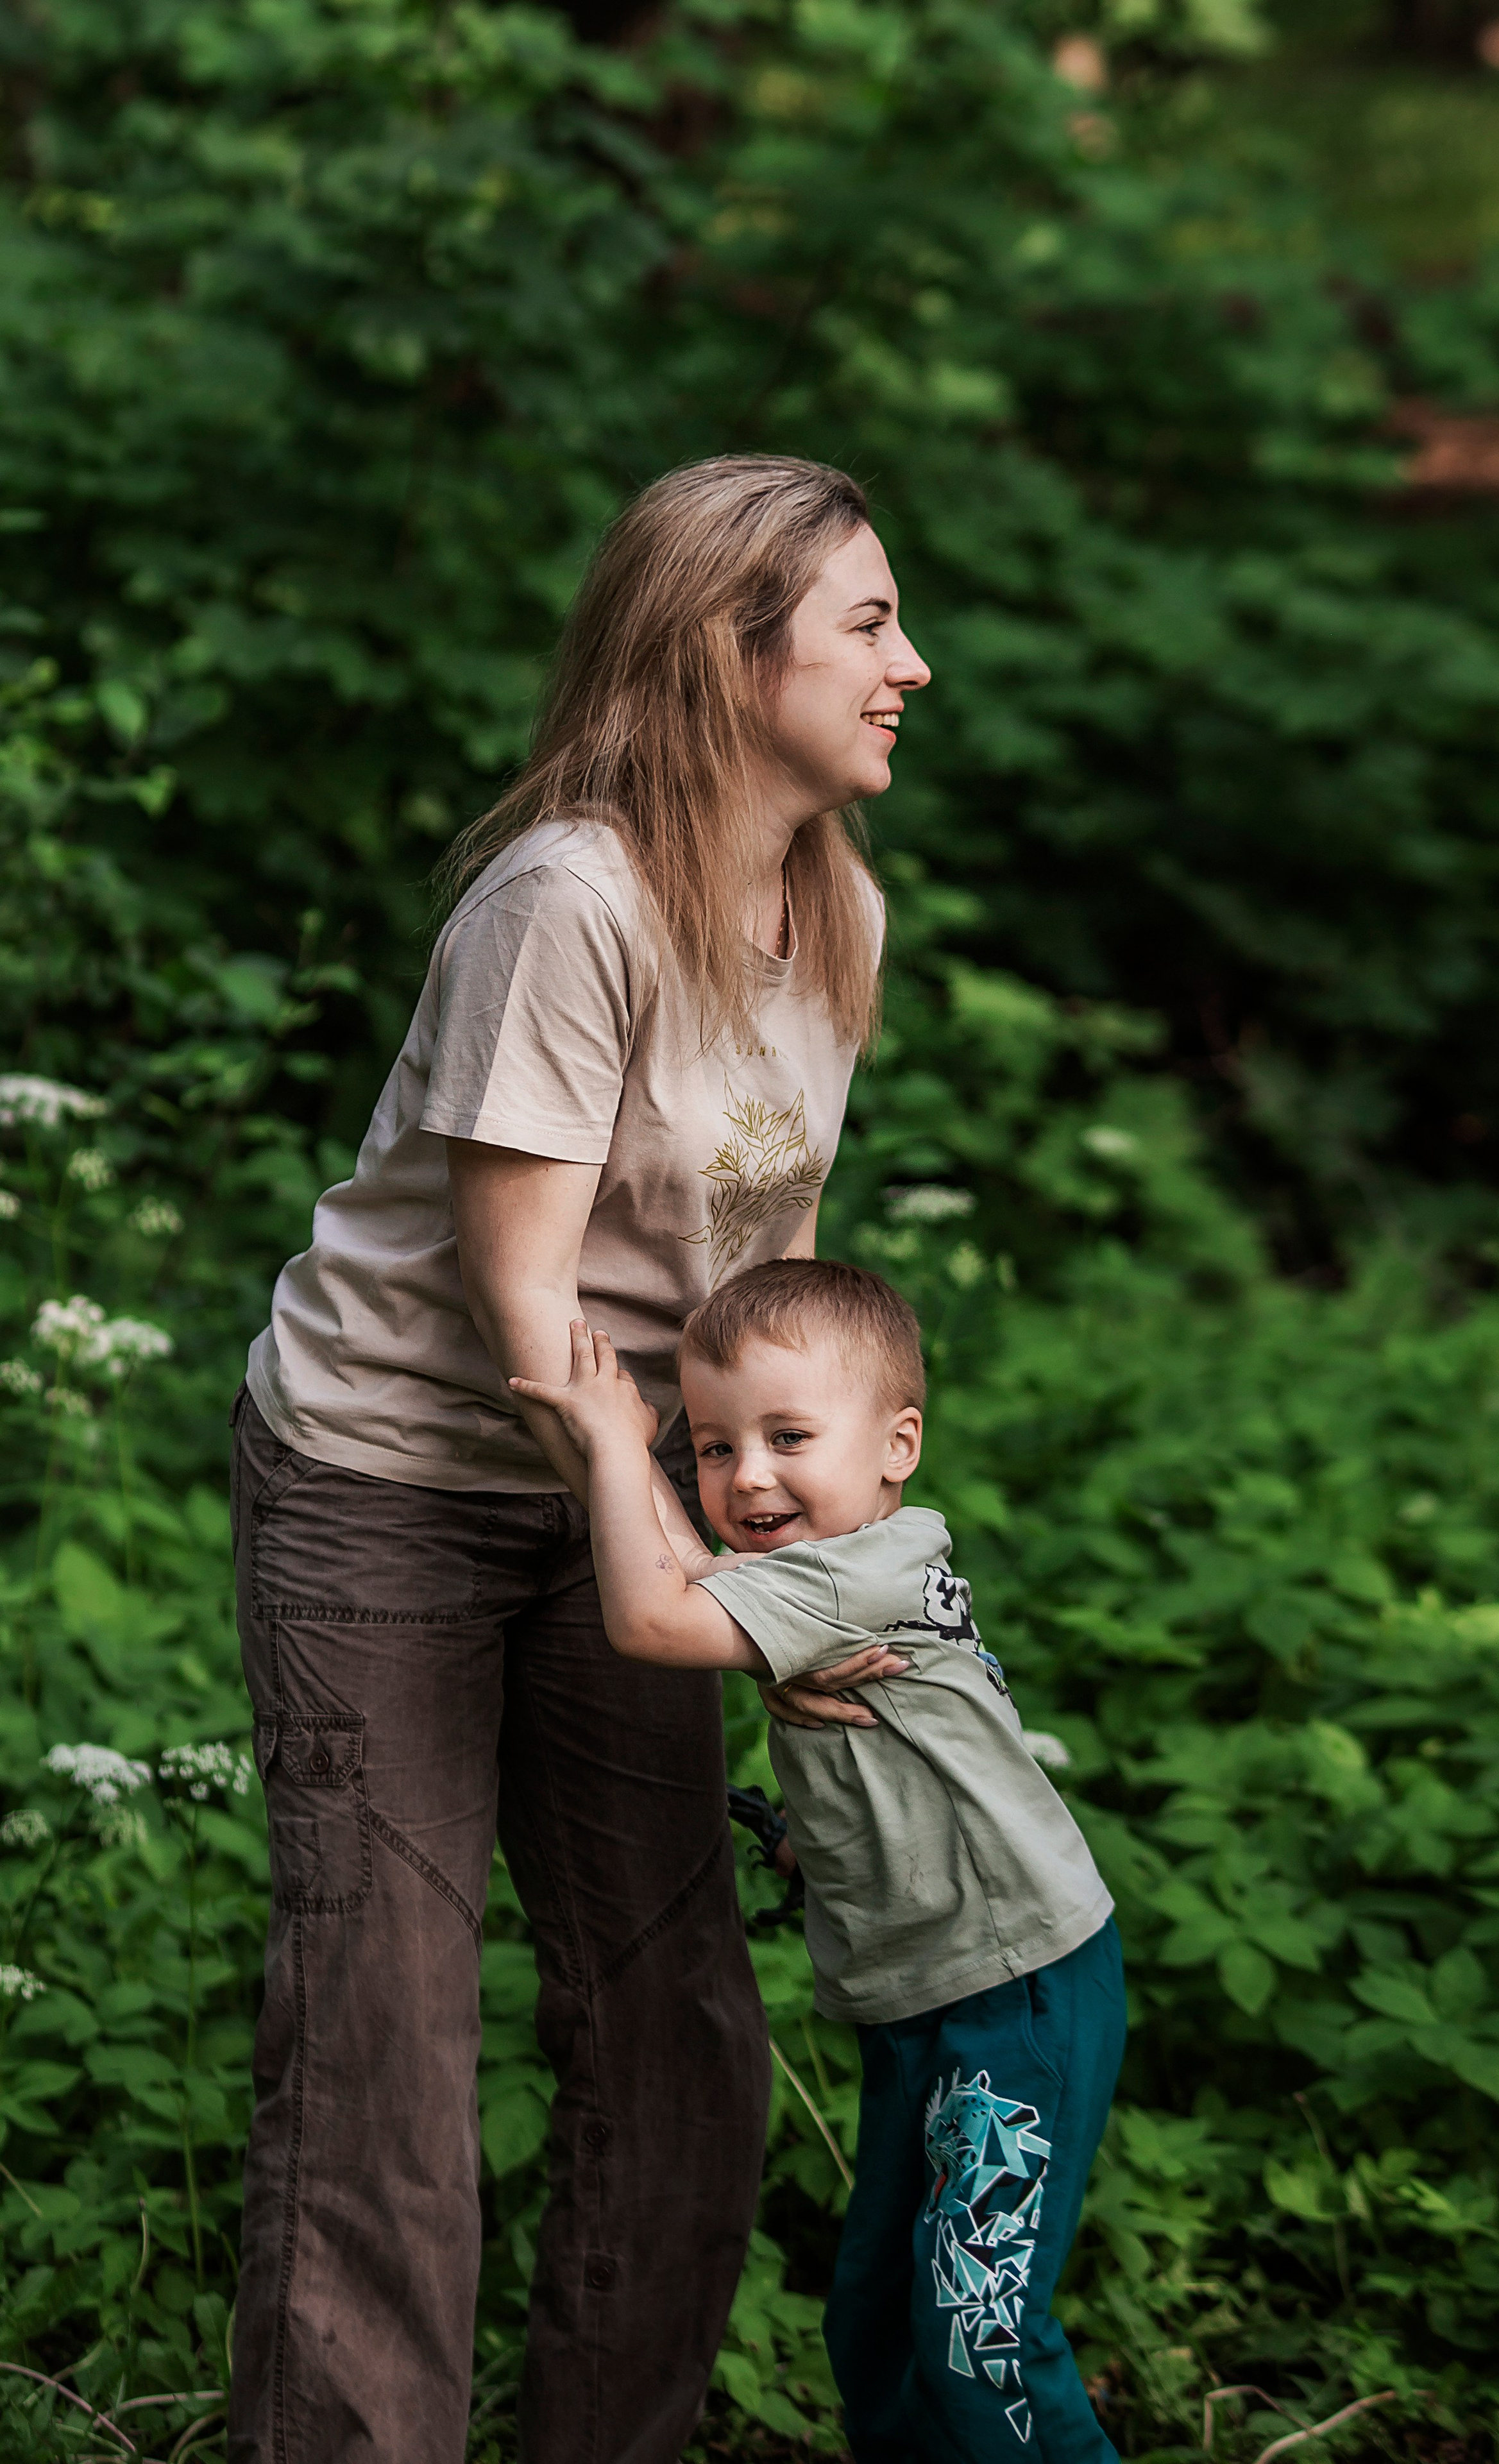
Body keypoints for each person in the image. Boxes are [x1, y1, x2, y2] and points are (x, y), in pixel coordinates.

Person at [226, 455, 931, 2464]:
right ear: (731, 650)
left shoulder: (831, 905)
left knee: (680, 2019)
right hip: (396, 1490)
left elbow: (760, 1304)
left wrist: (795, 1567)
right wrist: (684, 1570)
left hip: (623, 1491)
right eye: (869, 626)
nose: (913, 667)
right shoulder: (568, 904)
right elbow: (535, 1326)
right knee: (385, 2044)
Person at [511, 1260, 1126, 2464]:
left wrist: (607, 1442)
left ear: (898, 1443)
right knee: (876, 2325)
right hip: (925, 2001)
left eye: (789, 1434)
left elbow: (650, 1615)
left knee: (975, 2325)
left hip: (1018, 1995)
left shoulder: (864, 1570)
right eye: (713, 1445)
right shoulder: (825, 1573)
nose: (747, 1475)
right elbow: (709, 1587)